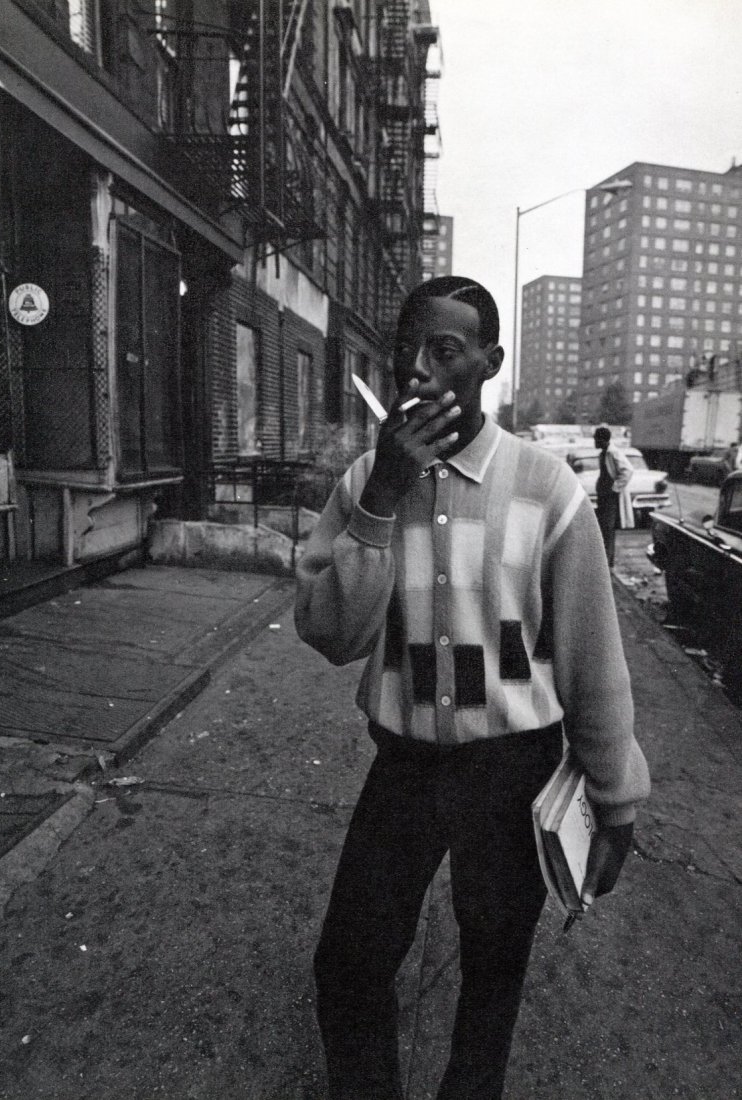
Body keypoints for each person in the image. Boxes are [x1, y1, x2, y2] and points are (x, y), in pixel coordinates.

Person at [294, 276, 650, 1100]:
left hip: (512, 772)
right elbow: (328, 633)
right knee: (349, 962)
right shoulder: (363, 483)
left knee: (493, 967)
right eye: (405, 351)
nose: (416, 371)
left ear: (487, 363)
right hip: (407, 767)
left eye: (443, 351)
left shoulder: (547, 489)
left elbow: (594, 659)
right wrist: (381, 498)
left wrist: (617, 799)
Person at [593, 425, 634, 567]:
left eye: (596, 439)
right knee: (603, 528)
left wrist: (615, 488)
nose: (594, 442)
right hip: (603, 496)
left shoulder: (613, 452)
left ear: (602, 440)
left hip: (610, 497)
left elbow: (628, 470)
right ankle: (604, 559)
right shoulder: (603, 453)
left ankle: (608, 562)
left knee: (608, 528)